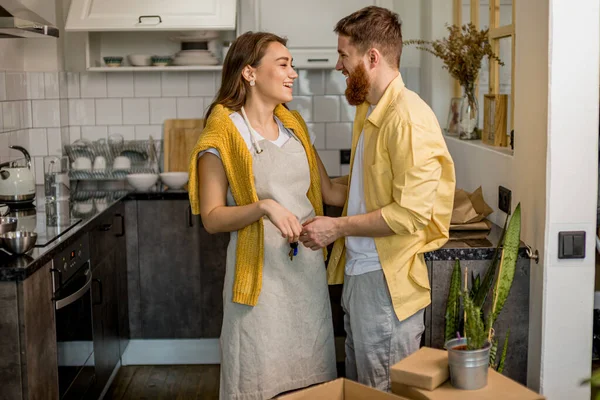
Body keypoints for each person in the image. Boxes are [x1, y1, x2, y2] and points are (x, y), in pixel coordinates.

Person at [299, 6, 456, 392]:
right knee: (361, 391)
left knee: (378, 391)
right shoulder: (370, 113)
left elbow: (408, 216)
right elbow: (341, 193)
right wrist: (304, 141)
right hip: (361, 276)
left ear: (372, 57)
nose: (338, 65)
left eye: (343, 55)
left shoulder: (407, 119)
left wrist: (335, 227)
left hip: (387, 286)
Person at [188, 31, 344, 399]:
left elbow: (330, 192)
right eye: (283, 64)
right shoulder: (223, 132)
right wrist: (264, 207)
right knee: (258, 382)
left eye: (293, 64)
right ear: (250, 73)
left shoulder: (294, 125)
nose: (293, 73)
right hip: (259, 284)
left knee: (311, 384)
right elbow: (211, 217)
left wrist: (385, 181)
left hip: (306, 277)